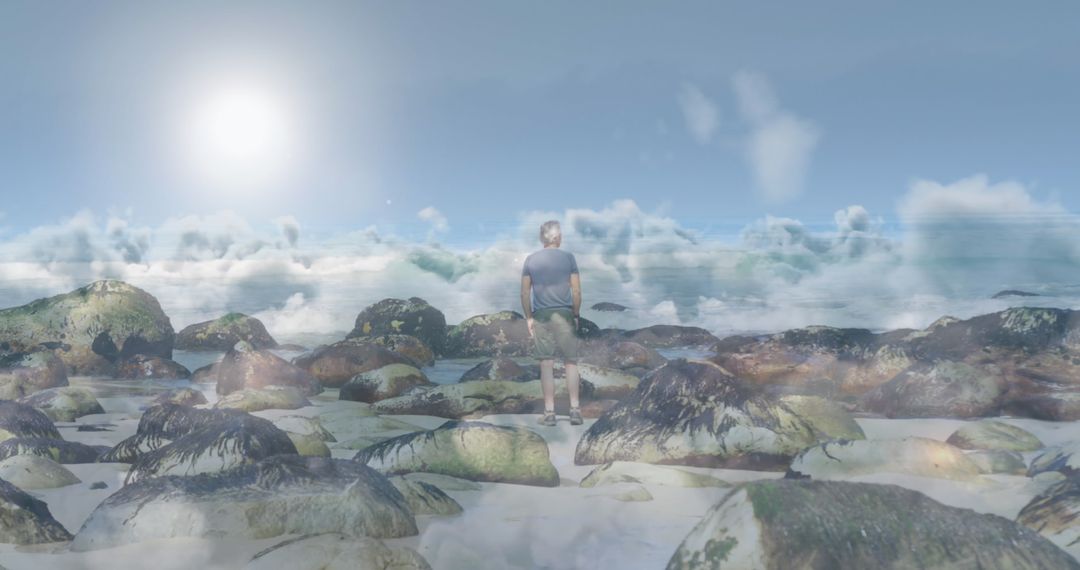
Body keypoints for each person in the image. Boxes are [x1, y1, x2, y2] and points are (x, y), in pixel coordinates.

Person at [521, 220, 583, 426]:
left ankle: (549, 413)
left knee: (546, 364)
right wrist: (576, 314)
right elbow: (576, 291)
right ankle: (575, 411)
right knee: (571, 363)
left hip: (541, 315)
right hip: (564, 314)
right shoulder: (569, 258)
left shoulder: (531, 260)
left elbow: (524, 293)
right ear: (558, 237)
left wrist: (529, 317)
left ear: (542, 238)